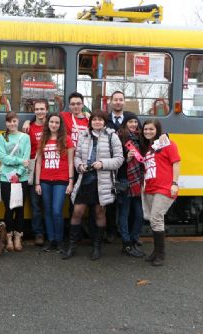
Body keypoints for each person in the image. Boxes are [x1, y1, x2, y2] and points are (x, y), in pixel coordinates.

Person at [63, 110, 123, 261]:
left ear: (104, 121)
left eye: (100, 119)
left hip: (102, 181)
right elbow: (77, 156)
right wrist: (80, 166)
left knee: (99, 213)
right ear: (90, 122)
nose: (97, 122)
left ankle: (97, 247)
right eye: (94, 120)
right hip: (85, 179)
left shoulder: (112, 136)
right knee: (77, 212)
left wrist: (102, 164)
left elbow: (119, 159)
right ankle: (72, 246)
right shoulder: (84, 136)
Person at [140, 119, 180, 266]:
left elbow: (176, 162)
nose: (148, 132)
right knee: (153, 219)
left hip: (164, 187)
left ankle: (160, 254)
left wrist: (175, 183)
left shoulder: (167, 143)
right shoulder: (151, 147)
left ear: (158, 130)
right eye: (145, 129)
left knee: (156, 218)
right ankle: (156, 252)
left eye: (151, 129)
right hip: (150, 187)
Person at [35, 113, 74, 252]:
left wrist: (70, 182)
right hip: (45, 180)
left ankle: (60, 240)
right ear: (48, 123)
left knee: (57, 211)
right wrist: (37, 183)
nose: (54, 125)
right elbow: (39, 162)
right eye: (51, 122)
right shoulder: (43, 139)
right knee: (48, 211)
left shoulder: (67, 140)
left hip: (61, 180)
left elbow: (70, 162)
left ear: (60, 125)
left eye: (57, 122)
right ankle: (51, 240)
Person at [104, 90, 138, 242]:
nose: (118, 102)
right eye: (115, 99)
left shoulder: (131, 118)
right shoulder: (105, 119)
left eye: (121, 99)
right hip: (110, 167)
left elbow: (143, 136)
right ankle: (111, 232)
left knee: (128, 204)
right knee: (111, 202)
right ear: (111, 102)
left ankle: (130, 234)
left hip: (128, 169)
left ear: (124, 102)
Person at [0, 112, 31, 252]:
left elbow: (27, 158)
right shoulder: (1, 138)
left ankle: (18, 237)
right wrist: (18, 161)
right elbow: (3, 158)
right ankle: (9, 237)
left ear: (18, 121)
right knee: (9, 208)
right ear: (6, 123)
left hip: (21, 178)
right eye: (9, 121)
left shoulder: (25, 137)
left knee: (20, 209)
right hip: (5, 178)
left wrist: (18, 173)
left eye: (14, 121)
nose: (12, 124)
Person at [115, 114, 146, 257]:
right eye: (130, 121)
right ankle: (126, 244)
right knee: (124, 213)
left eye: (135, 122)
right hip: (124, 181)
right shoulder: (119, 137)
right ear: (125, 123)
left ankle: (133, 240)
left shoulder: (140, 137)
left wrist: (166, 136)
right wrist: (126, 159)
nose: (133, 124)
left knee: (140, 214)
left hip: (138, 181)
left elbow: (156, 137)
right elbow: (114, 160)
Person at [27, 100, 48, 246]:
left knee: (48, 204)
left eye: (42, 109)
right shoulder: (30, 128)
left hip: (51, 167)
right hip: (34, 168)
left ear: (47, 110)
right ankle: (39, 233)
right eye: (37, 109)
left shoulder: (53, 125)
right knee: (35, 204)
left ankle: (51, 232)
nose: (40, 111)